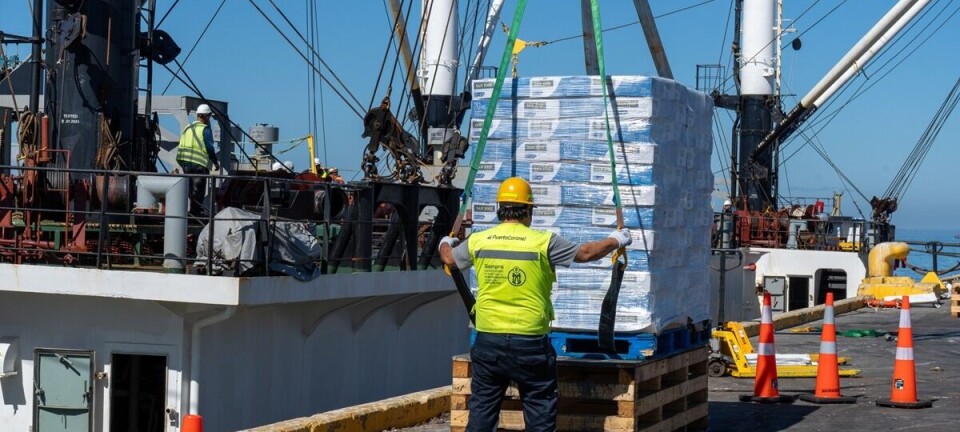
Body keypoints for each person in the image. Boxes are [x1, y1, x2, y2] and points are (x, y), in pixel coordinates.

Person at [438, 177, 632, 432]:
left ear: (500, 209)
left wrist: (445, 241)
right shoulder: (543, 242)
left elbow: (449, 258)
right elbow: (585, 253)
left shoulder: (479, 240)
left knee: (482, 413)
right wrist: (616, 239)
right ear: (528, 210)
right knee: (540, 414)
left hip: (488, 342)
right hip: (530, 344)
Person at [177, 103, 220, 216]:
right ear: (206, 116)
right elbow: (210, 147)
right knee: (198, 190)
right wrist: (215, 162)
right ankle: (195, 213)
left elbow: (181, 145)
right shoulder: (205, 129)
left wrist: (182, 163)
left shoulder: (188, 128)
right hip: (198, 164)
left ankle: (191, 211)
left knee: (190, 189)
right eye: (209, 116)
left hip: (185, 163)